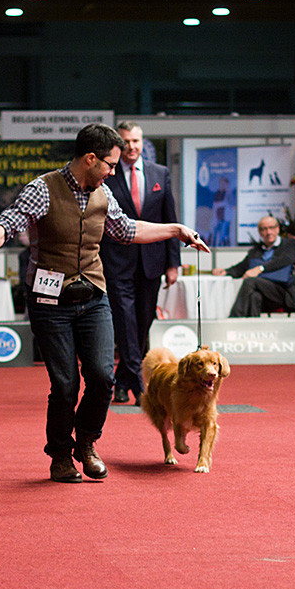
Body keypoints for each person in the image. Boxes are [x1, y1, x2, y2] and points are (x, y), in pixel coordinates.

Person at [0, 123, 208, 484]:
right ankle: (60, 457)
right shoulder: (43, 189)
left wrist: (176, 229)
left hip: (94, 297)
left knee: (102, 376)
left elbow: (128, 231)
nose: (114, 171)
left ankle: (87, 442)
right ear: (90, 159)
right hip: (50, 301)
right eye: (110, 165)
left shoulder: (103, 193)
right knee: (65, 385)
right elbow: (7, 221)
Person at [101, 121, 181, 405]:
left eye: (136, 141)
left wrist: (173, 263)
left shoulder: (161, 173)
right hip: (116, 262)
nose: (131, 147)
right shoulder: (107, 175)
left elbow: (168, 218)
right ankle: (138, 383)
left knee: (143, 324)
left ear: (142, 142)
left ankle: (122, 381)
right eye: (126, 142)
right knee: (124, 322)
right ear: (118, 145)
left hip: (152, 261)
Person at [212, 215, 295, 317]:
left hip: (285, 293)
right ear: (260, 232)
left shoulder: (289, 244)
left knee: (251, 281)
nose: (268, 232)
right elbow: (242, 268)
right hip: (266, 296)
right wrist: (225, 272)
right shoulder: (256, 251)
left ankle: (234, 319)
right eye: (264, 229)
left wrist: (260, 269)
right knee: (255, 296)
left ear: (277, 229)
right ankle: (253, 329)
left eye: (271, 228)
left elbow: (284, 260)